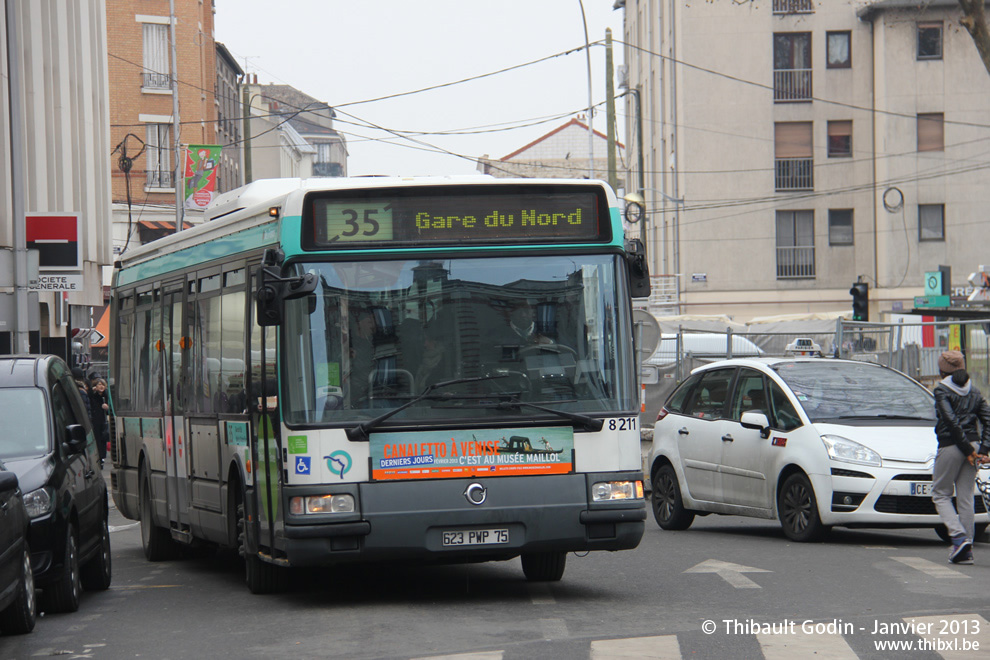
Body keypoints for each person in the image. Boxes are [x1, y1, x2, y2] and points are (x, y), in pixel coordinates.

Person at [932, 350, 990, 565]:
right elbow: (988, 420)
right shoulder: (974, 391)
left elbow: (950, 421)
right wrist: (982, 450)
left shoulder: (941, 390)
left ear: (941, 370)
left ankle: (958, 538)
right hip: (973, 445)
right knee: (965, 497)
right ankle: (967, 550)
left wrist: (967, 450)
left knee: (940, 493)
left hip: (952, 446)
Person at [89, 377, 110, 466]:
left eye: (103, 385)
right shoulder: (93, 395)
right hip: (95, 420)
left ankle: (102, 456)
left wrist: (107, 408)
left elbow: (111, 409)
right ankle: (98, 457)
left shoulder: (107, 395)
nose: (101, 387)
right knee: (97, 438)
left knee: (103, 439)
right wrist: (91, 390)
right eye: (99, 384)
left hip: (104, 421)